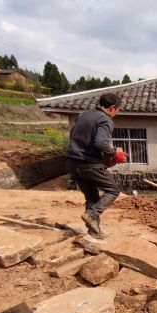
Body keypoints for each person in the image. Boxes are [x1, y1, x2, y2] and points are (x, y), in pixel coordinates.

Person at [66, 93, 127, 238]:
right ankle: (92, 215)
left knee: (92, 198)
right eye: (118, 110)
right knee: (113, 190)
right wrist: (115, 153)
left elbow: (73, 136)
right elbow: (100, 143)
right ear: (112, 108)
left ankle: (94, 232)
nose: (116, 113)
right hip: (88, 163)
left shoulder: (83, 115)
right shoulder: (105, 119)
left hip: (72, 162)